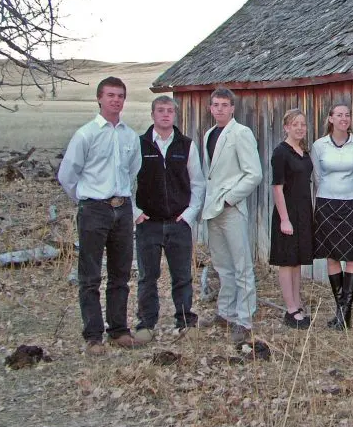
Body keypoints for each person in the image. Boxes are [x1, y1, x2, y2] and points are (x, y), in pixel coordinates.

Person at [57, 76, 142, 355]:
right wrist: (87, 200)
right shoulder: (86, 134)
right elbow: (67, 175)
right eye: (110, 95)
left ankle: (118, 330)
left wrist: (120, 199)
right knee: (90, 275)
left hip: (122, 208)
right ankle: (93, 336)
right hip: (94, 208)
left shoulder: (130, 136)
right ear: (99, 98)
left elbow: (132, 170)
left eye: (120, 96)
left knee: (120, 273)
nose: (116, 100)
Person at [133, 95, 205, 344]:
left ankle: (185, 320)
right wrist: (135, 213)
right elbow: (126, 180)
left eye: (169, 111)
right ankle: (146, 323)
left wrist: (189, 214)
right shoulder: (140, 145)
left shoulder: (186, 145)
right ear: (152, 114)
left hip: (178, 222)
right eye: (160, 110)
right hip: (149, 223)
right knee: (147, 276)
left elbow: (198, 183)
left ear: (175, 115)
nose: (165, 114)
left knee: (182, 275)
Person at [201, 87, 263, 346]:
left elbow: (254, 173)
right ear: (210, 108)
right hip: (212, 209)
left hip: (231, 208)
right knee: (222, 264)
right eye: (216, 105)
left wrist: (230, 198)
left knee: (241, 265)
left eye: (224, 105)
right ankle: (225, 312)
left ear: (232, 108)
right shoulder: (209, 134)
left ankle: (244, 319)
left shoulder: (241, 133)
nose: (220, 109)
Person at [311, 103, 353, 330]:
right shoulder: (319, 145)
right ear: (331, 119)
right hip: (326, 204)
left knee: (352, 257)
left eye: (347, 115)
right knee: (332, 257)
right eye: (339, 115)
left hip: (352, 203)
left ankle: (346, 313)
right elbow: (317, 177)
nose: (344, 118)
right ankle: (339, 311)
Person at [269, 109, 315, 330]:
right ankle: (290, 310)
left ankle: (297, 304)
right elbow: (277, 188)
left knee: (297, 261)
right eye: (295, 124)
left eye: (302, 124)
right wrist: (284, 219)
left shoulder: (303, 152)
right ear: (286, 127)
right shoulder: (281, 152)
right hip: (287, 213)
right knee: (287, 261)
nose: (299, 128)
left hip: (303, 212)